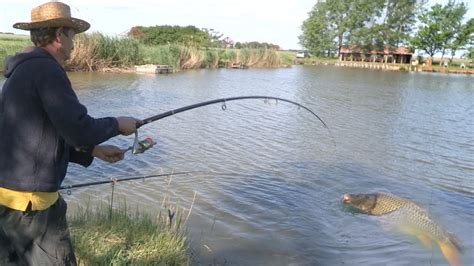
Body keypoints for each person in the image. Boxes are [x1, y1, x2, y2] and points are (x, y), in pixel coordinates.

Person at [0, 2, 141, 265]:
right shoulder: (47, 70)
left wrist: (94, 151)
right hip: (33, 206)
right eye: (72, 36)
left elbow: (43, 134)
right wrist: (117, 124)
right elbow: (78, 128)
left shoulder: (22, 71)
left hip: (8, 199)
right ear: (59, 35)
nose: (74, 44)